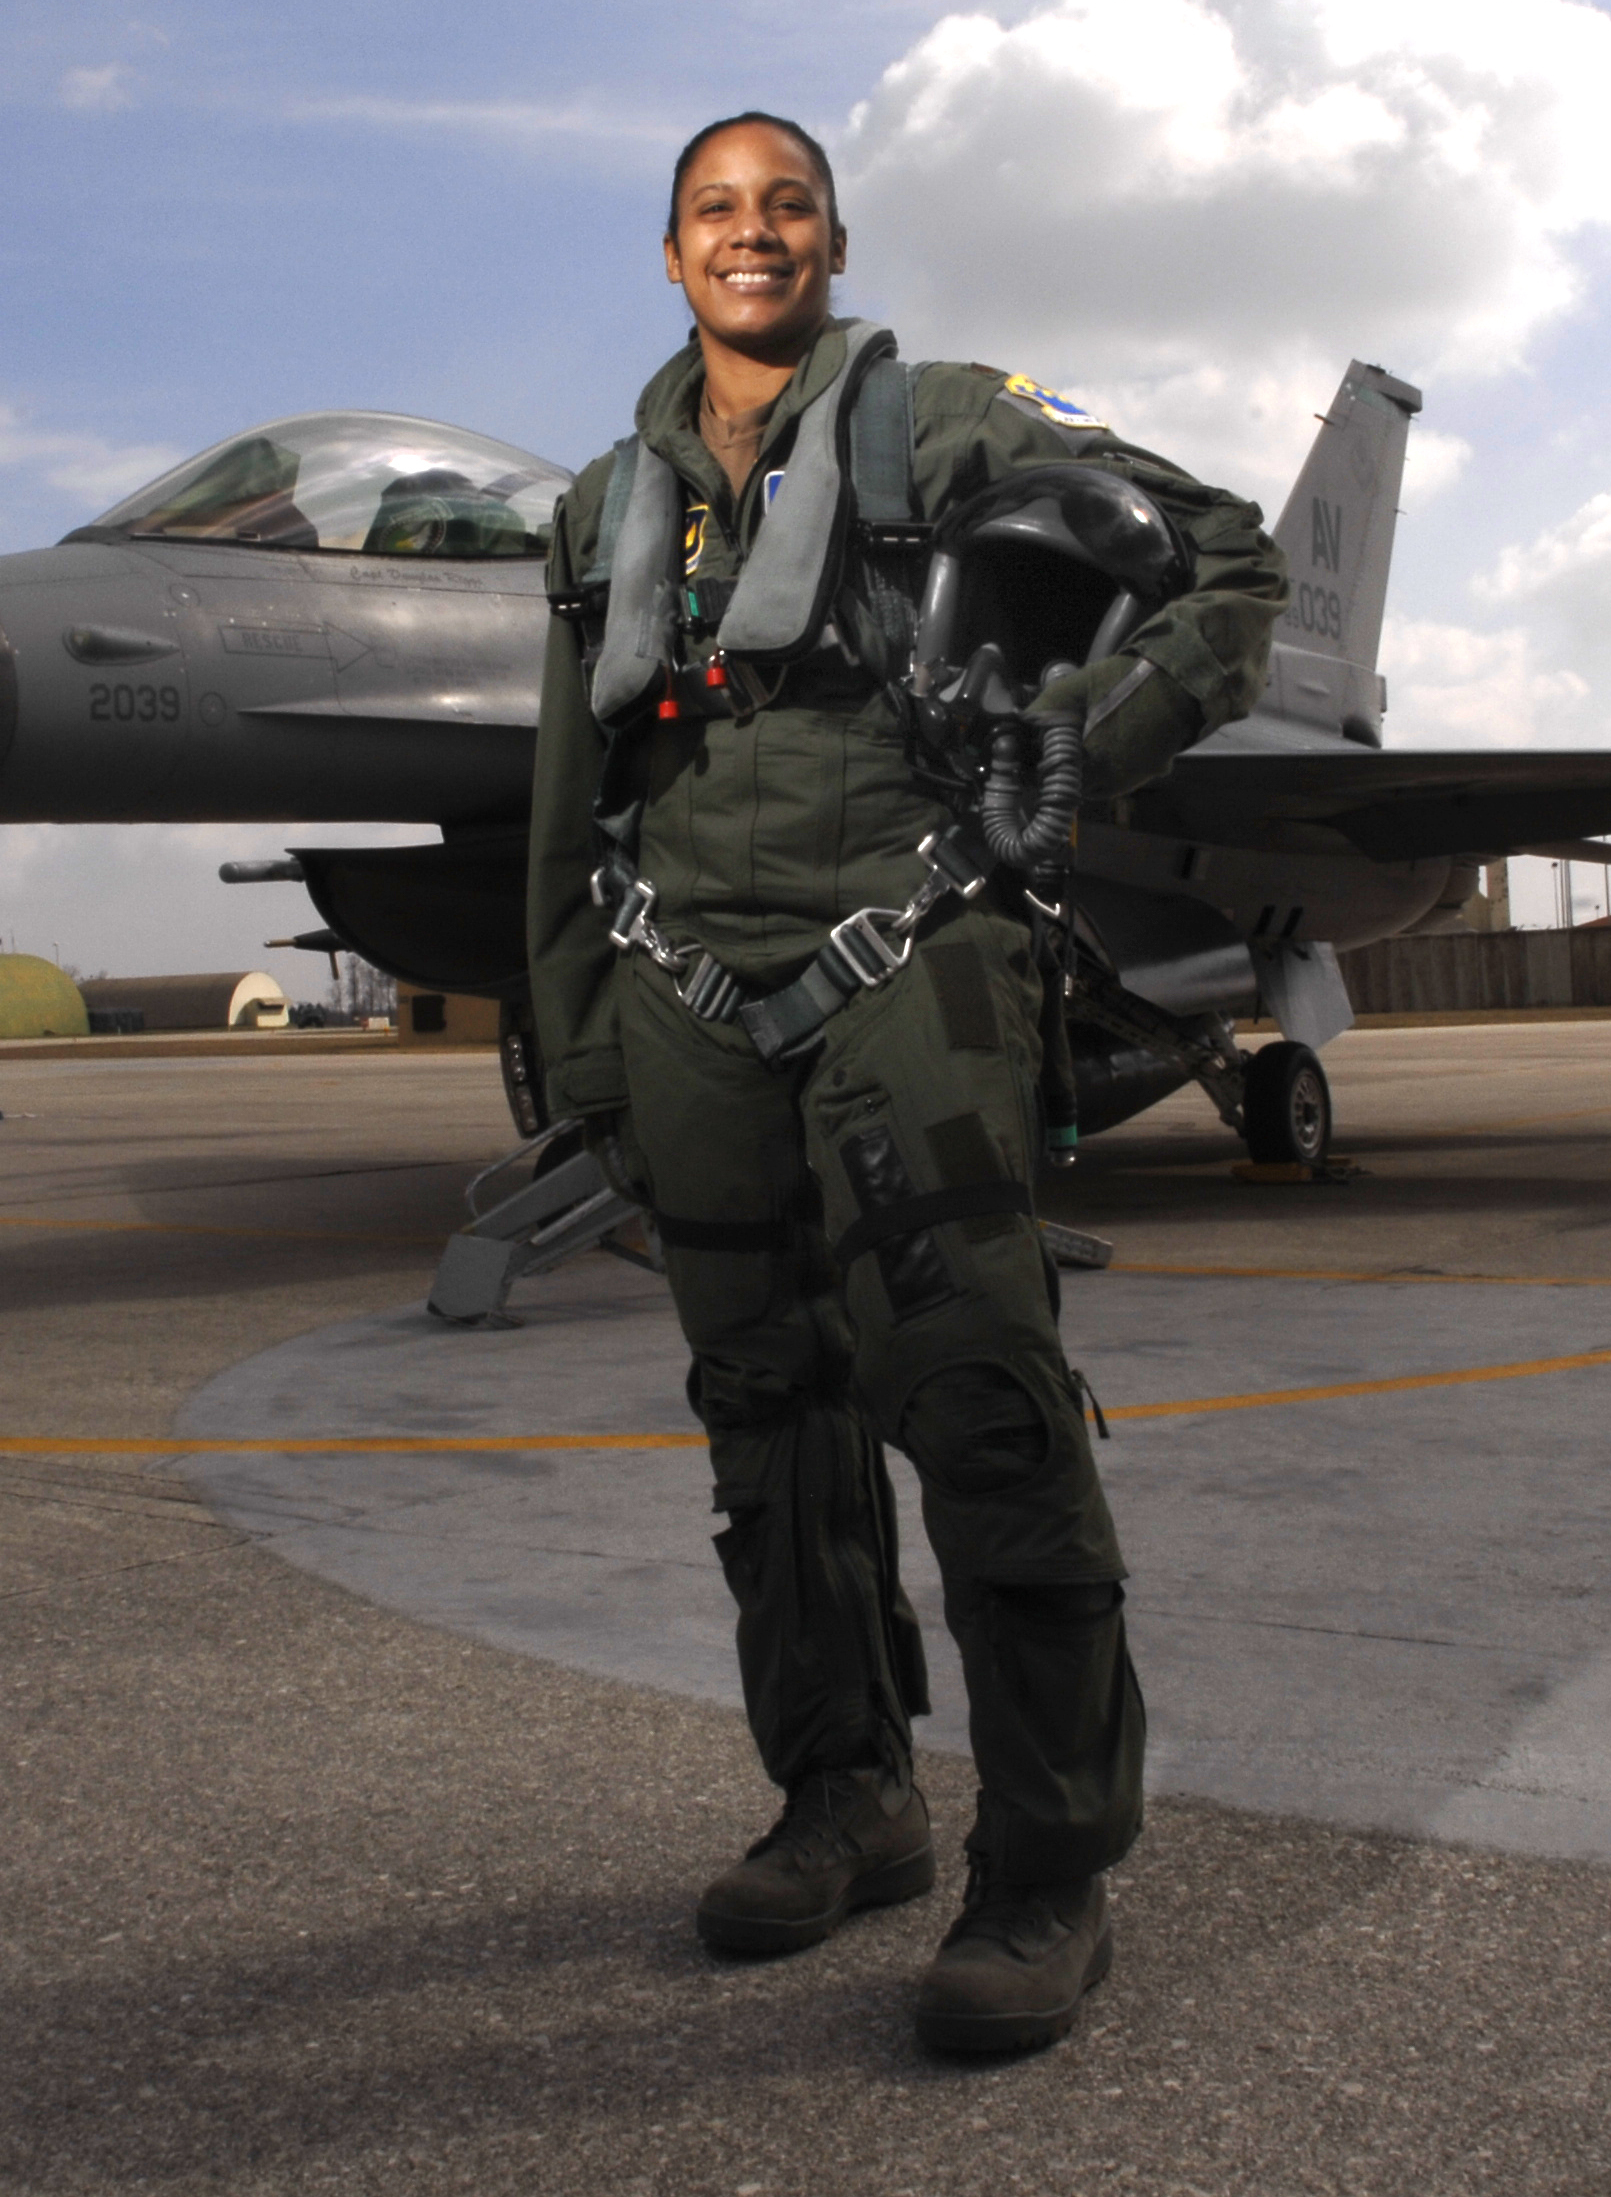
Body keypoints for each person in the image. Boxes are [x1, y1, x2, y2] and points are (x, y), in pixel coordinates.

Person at [524, 111, 1283, 2055]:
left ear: (832, 240)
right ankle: (841, 1793)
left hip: (904, 946)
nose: (749, 232)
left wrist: (1088, 738)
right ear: (670, 248)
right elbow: (562, 789)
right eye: (714, 208)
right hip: (682, 979)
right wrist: (579, 1037)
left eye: (784, 204)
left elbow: (1216, 557)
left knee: (976, 1392)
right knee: (761, 1413)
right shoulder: (603, 501)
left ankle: (1044, 1864)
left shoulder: (934, 423)